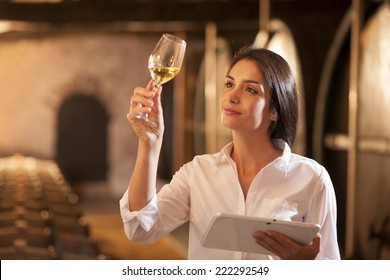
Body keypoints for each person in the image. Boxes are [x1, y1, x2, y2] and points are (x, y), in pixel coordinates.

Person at [120, 46, 340, 260]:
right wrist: (149, 143)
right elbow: (140, 229)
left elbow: (329, 265)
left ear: (274, 110)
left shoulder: (312, 179)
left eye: (250, 89)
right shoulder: (197, 173)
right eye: (229, 84)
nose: (231, 96)